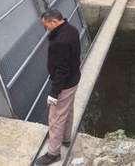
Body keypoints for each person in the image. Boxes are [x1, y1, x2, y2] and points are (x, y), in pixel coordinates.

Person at [36, 8, 81, 166]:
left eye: (46, 25)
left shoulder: (60, 42)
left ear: (54, 22)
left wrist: (54, 93)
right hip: (74, 78)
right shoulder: (72, 29)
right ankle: (66, 139)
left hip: (65, 84)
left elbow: (62, 70)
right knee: (67, 111)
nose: (46, 28)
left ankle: (53, 153)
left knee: (55, 119)